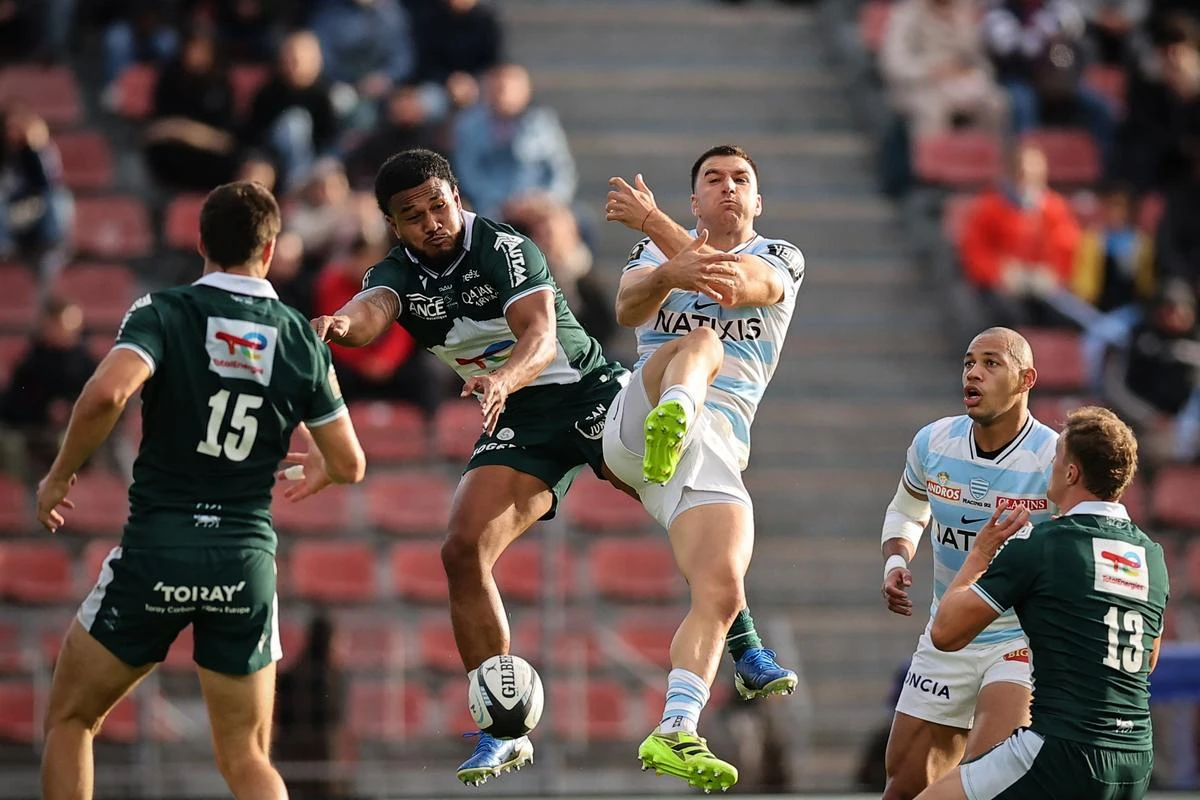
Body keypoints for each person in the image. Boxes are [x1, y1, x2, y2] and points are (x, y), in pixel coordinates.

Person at [300, 147, 793, 786]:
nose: (431, 221)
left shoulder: (503, 247)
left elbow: (540, 337)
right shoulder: (396, 272)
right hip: (518, 419)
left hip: (586, 392)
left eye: (439, 205)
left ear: (458, 197)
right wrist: (340, 324)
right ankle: (502, 728)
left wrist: (503, 377)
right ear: (395, 225)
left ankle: (742, 640)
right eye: (412, 215)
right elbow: (374, 313)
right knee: (461, 549)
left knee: (689, 504)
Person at [33, 181, 366, 800]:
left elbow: (108, 393)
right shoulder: (298, 336)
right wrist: (322, 469)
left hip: (158, 547)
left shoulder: (162, 312)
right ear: (269, 251)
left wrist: (59, 474)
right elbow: (350, 463)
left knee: (72, 720)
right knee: (245, 757)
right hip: (242, 560)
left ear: (200, 242)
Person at [601, 143, 805, 792]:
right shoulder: (656, 252)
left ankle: (676, 728)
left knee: (719, 589)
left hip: (706, 454)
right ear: (695, 201)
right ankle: (677, 413)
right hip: (639, 421)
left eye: (740, 179)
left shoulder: (782, 257)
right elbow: (628, 309)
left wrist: (657, 224)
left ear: (758, 200)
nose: (727, 187)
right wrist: (664, 264)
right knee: (701, 341)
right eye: (713, 180)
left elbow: (731, 282)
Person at [916, 406, 1167, 799]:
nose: (1050, 466)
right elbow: (1147, 659)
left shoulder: (1044, 545)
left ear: (1071, 474)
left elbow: (945, 633)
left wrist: (980, 554)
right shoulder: (1151, 555)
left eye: (1057, 458)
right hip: (1135, 759)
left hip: (1062, 749)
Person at [878, 327, 1058, 800]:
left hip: (1020, 639)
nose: (973, 372)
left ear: (1026, 380)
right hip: (948, 633)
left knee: (987, 778)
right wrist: (896, 558)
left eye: (992, 363)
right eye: (968, 362)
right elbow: (905, 509)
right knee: (903, 786)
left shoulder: (1055, 458)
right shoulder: (934, 442)